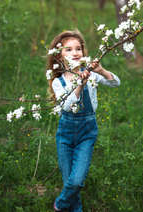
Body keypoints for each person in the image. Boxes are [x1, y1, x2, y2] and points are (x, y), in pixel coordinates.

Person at [46, 30, 120, 212]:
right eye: (68, 49)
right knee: (70, 182)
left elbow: (115, 82)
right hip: (65, 134)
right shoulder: (58, 82)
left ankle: (60, 206)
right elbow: (67, 106)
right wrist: (80, 84)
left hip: (87, 133)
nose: (75, 53)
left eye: (78, 49)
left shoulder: (91, 74)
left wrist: (100, 70)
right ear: (60, 55)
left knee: (77, 181)